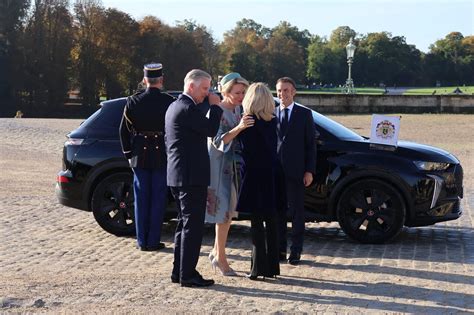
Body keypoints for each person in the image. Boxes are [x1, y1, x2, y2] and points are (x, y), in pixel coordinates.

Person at [165, 69, 223, 288]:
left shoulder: (175, 106)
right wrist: (216, 106)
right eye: (205, 89)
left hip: (178, 174)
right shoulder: (187, 108)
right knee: (192, 227)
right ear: (191, 86)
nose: (207, 93)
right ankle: (187, 274)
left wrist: (209, 104)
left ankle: (179, 271)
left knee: (183, 225)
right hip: (190, 177)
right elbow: (209, 129)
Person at [119, 63, 175, 251]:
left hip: (139, 153)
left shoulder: (133, 101)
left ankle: (142, 241)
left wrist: (128, 153)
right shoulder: (169, 101)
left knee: (141, 198)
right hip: (161, 152)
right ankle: (153, 240)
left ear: (144, 80)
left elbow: (123, 131)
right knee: (158, 198)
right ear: (161, 80)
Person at [236, 82, 286, 280]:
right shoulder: (273, 120)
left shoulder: (247, 121)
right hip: (273, 172)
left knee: (257, 223)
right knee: (272, 221)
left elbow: (245, 149)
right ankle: (273, 267)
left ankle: (257, 268)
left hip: (254, 174)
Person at [205, 72, 253, 276]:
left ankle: (217, 251)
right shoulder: (217, 111)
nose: (241, 96)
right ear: (226, 91)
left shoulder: (238, 110)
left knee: (229, 211)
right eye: (237, 92)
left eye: (243, 92)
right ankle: (221, 258)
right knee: (223, 213)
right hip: (218, 166)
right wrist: (240, 127)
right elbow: (217, 140)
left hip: (232, 167)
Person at [275, 77, 316, 265]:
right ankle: (280, 249)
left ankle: (296, 250)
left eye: (286, 90)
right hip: (276, 172)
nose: (282, 94)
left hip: (297, 172)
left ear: (293, 92)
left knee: (297, 213)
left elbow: (311, 146)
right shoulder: (271, 113)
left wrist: (309, 171)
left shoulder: (304, 114)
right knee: (278, 212)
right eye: (279, 91)